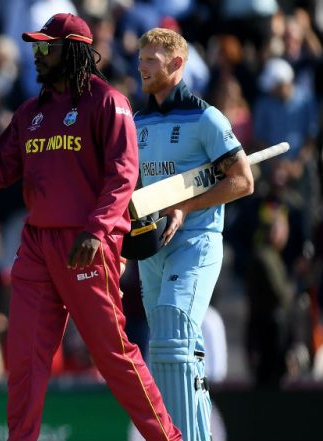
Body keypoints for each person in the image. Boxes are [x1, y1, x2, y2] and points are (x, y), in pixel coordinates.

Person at [0, 13, 182, 441]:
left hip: (86, 244)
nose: (35, 55)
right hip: (36, 245)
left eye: (44, 48)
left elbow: (123, 174)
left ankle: (168, 437)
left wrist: (96, 230)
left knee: (113, 356)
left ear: (71, 51)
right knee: (26, 363)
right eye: (35, 46)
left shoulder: (108, 102)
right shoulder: (31, 112)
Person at [134, 28, 254, 441]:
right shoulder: (138, 120)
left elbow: (242, 181)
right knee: (169, 351)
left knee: (172, 337)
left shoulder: (207, 117)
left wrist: (186, 206)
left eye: (151, 59)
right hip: (152, 248)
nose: (142, 66)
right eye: (141, 58)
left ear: (177, 64)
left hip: (196, 241)